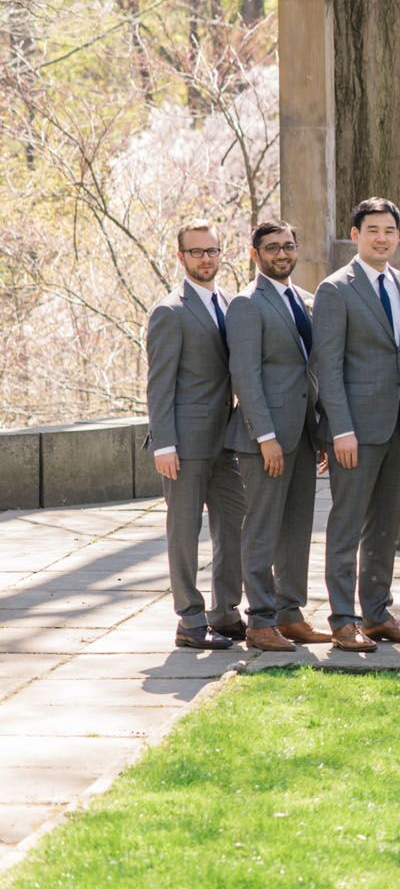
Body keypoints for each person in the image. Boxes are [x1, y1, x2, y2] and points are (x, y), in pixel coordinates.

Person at [311, 198, 400, 652]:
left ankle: (377, 613)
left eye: (390, 231)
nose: (382, 238)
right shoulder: (336, 290)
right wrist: (340, 429)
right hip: (354, 432)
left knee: (385, 524)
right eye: (373, 230)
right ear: (356, 235)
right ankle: (343, 618)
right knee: (347, 525)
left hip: (399, 427)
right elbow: (329, 366)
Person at [226, 219, 331, 652]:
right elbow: (245, 376)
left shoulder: (305, 301)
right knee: (262, 530)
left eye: (288, 246)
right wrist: (264, 436)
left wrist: (320, 431)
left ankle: (290, 613)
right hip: (265, 440)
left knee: (296, 529)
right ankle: (260, 621)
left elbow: (312, 372)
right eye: (272, 248)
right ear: (255, 254)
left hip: (303, 436)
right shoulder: (247, 304)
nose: (282, 254)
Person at [146, 219, 247, 650]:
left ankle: (225, 612)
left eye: (212, 251)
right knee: (184, 533)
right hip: (184, 445)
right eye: (196, 252)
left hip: (225, 442)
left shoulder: (229, 302)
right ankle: (189, 620)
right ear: (181, 257)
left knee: (234, 523)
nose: (206, 259)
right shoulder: (170, 311)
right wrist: (164, 442)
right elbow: (159, 383)